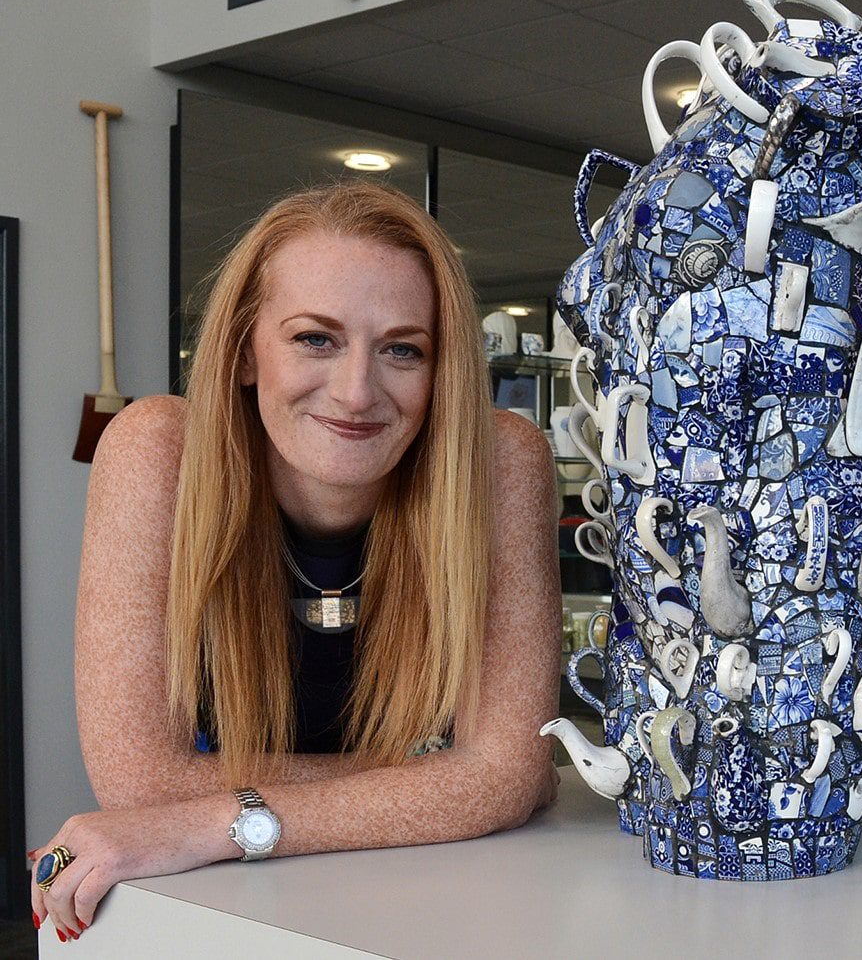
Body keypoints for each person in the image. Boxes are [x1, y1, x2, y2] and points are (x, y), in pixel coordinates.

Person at [30, 181, 562, 942]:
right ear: (247, 350)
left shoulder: (501, 461)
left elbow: (504, 776)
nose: (355, 392)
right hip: (236, 924)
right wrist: (453, 782)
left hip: (443, 908)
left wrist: (213, 815)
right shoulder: (158, 451)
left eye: (402, 350)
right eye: (315, 338)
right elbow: (139, 782)